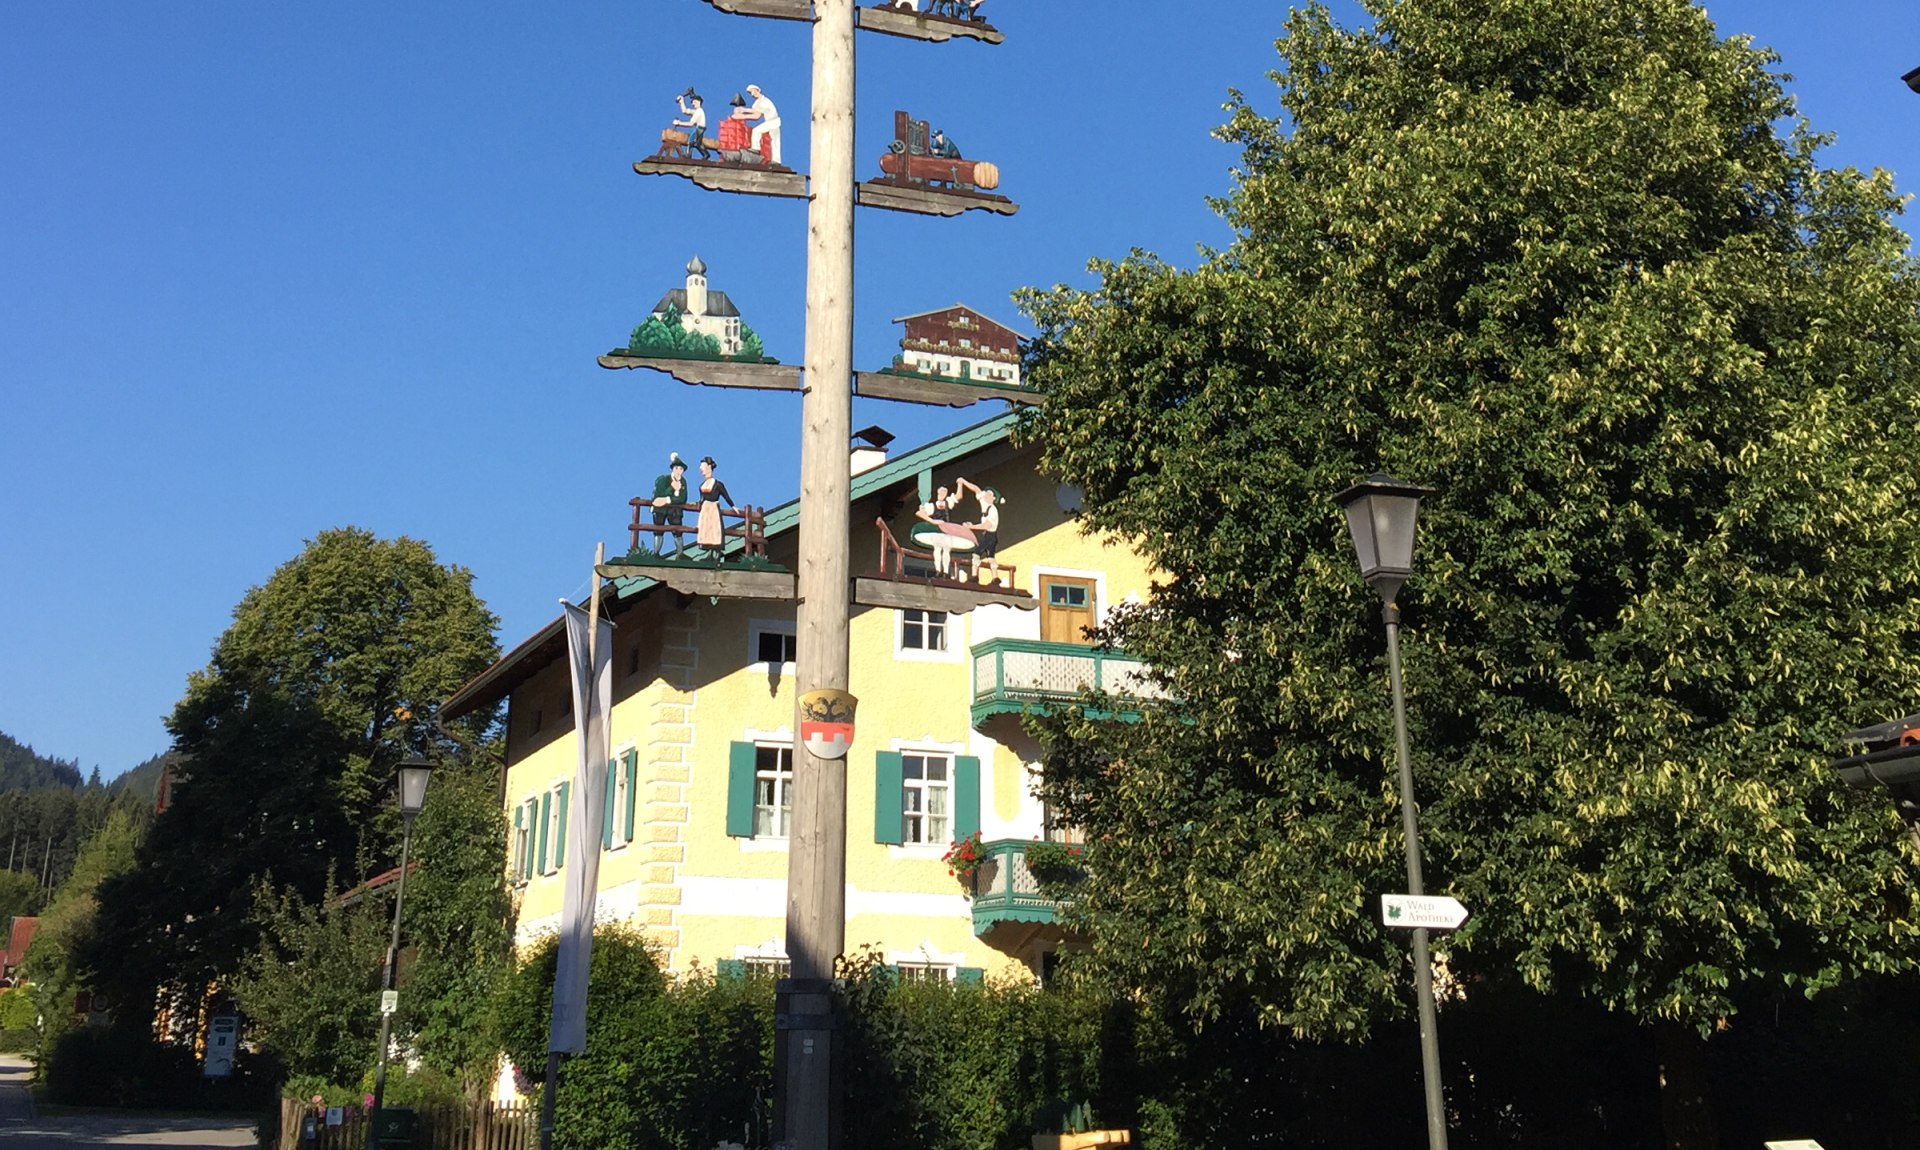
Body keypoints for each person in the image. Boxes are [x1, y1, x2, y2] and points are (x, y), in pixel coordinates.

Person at [953, 476, 1003, 581]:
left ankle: (975, 576)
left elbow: (986, 525)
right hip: (988, 535)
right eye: (986, 494)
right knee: (991, 558)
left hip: (990, 536)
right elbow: (976, 489)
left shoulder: (993, 510)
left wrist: (971, 527)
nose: (986, 496)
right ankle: (995, 578)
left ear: (993, 498)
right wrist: (963, 481)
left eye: (989, 495)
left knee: (976, 554)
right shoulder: (984, 503)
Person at [695, 456, 736, 555]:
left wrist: (733, 506)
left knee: (714, 530)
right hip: (705, 509)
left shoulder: (717, 484)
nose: (701, 469)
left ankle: (716, 552)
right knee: (706, 531)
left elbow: (726, 496)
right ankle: (709, 553)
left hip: (713, 508)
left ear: (709, 467)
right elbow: (702, 499)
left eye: (703, 466)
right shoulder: (701, 485)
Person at [650, 452, 690, 554]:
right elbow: (659, 495)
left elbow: (682, 498)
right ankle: (656, 553)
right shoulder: (663, 480)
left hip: (674, 510)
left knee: (678, 531)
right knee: (659, 530)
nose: (679, 471)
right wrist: (671, 488)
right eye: (677, 468)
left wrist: (668, 500)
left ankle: (680, 553)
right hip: (660, 509)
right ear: (673, 469)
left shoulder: (683, 482)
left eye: (681, 469)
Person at [737, 83, 782, 165]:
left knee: (770, 138)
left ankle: (758, 149)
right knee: (772, 140)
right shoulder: (756, 103)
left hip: (773, 121)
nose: (752, 94)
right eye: (750, 93)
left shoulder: (765, 101)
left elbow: (757, 114)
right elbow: (756, 114)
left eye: (753, 91)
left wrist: (744, 111)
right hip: (769, 122)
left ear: (758, 90)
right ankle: (759, 150)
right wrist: (742, 114)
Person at [672, 89, 712, 160]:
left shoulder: (699, 111)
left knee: (691, 141)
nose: (693, 104)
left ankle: (688, 155)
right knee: (698, 143)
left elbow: (691, 124)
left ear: (699, 102)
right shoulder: (697, 111)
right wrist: (681, 102)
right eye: (692, 103)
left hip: (699, 128)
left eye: (695, 102)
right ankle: (706, 154)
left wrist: (679, 123)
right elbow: (685, 111)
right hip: (700, 128)